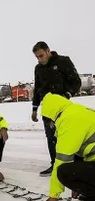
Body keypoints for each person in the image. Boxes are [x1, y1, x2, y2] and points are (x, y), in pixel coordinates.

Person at [31, 41, 81, 177]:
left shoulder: (63, 61)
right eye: (37, 57)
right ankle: (55, 165)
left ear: (48, 51)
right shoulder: (38, 69)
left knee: (68, 136)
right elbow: (37, 89)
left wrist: (67, 95)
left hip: (63, 107)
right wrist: (34, 108)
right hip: (48, 109)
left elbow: (76, 81)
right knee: (51, 137)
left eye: (41, 56)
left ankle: (76, 165)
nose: (39, 59)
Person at [40, 93, 95, 201]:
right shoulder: (77, 111)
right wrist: (79, 184)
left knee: (63, 172)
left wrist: (54, 195)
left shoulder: (69, 121)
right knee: (76, 162)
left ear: (51, 116)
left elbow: (62, 160)